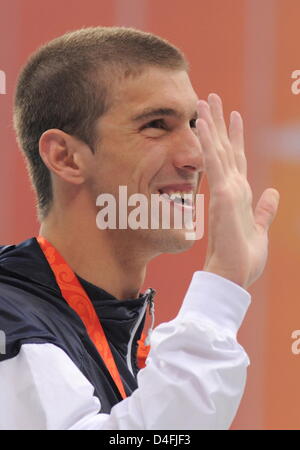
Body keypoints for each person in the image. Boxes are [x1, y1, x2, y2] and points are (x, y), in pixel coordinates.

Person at [0, 26, 279, 430]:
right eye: (156, 125)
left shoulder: (130, 340)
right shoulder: (12, 323)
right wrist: (221, 290)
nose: (196, 156)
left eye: (193, 125)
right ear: (66, 157)